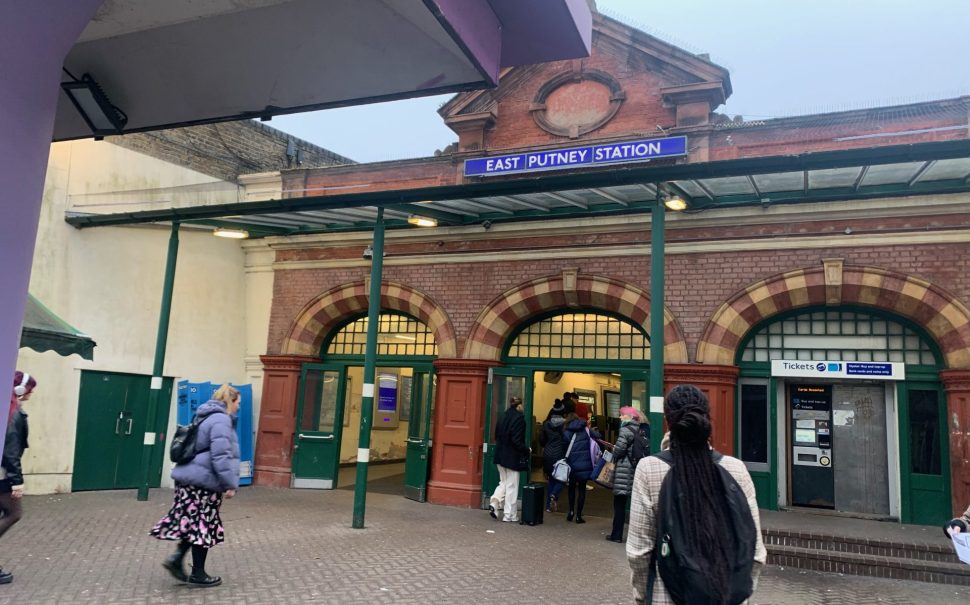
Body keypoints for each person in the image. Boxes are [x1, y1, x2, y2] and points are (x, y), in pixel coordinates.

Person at [626, 384, 766, 605]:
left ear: (668, 420)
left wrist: (644, 596)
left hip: (669, 597)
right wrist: (738, 593)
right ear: (706, 415)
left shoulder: (649, 469)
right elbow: (755, 552)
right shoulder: (736, 468)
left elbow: (639, 552)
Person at [151, 384, 241, 587]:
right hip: (203, 482)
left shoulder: (205, 415)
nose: (238, 407)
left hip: (189, 478)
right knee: (204, 525)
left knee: (194, 522)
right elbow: (221, 455)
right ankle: (198, 573)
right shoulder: (221, 420)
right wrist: (229, 484)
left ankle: (177, 559)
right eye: (238, 403)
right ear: (230, 401)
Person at [0, 371, 37, 585]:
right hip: (4, 476)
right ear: (20, 389)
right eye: (29, 389)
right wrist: (17, 481)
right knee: (14, 513)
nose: (31, 394)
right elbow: (10, 451)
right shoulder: (12, 413)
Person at [488, 396, 530, 523]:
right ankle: (509, 515)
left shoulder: (503, 417)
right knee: (512, 486)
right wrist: (526, 450)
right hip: (512, 457)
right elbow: (516, 441)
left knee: (504, 483)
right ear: (519, 405)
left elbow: (496, 435)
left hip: (500, 455)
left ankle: (495, 502)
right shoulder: (519, 419)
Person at [606, 405, 642, 543]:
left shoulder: (625, 430)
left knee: (619, 504)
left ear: (629, 417)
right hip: (634, 468)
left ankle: (616, 535)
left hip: (623, 470)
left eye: (622, 415)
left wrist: (614, 449)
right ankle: (635, 536)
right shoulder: (640, 429)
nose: (620, 417)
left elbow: (619, 451)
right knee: (634, 503)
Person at [561, 402, 598, 524]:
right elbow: (599, 436)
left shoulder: (566, 432)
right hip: (584, 465)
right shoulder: (586, 430)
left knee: (571, 488)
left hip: (571, 465)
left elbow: (564, 449)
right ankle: (579, 516)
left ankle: (570, 511)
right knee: (582, 489)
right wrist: (592, 430)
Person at [539, 399, 567, 511]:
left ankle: (548, 506)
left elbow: (541, 440)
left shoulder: (546, 424)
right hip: (560, 454)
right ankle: (554, 495)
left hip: (548, 454)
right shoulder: (565, 425)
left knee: (551, 479)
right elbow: (566, 440)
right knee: (561, 479)